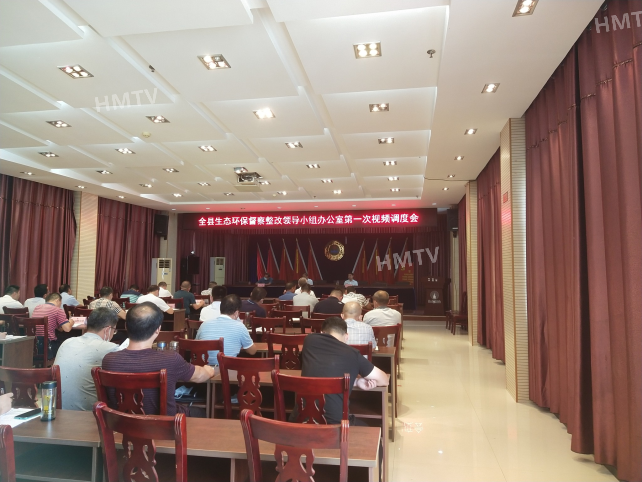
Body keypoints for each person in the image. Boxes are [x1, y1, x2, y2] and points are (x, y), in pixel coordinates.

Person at [102, 303, 214, 416]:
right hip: (164, 424)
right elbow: (200, 376)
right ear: (158, 329)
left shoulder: (109, 360)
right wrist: (209, 370)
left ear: (126, 326)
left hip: (121, 423)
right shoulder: (170, 359)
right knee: (200, 412)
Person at [295, 316, 388, 425]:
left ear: (322, 332)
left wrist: (355, 382)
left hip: (301, 420)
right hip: (336, 425)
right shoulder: (352, 354)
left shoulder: (309, 341)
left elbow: (325, 371)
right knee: (370, 428)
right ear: (346, 336)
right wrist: (359, 381)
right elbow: (384, 380)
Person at [54, 307, 129, 411]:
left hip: (57, 412)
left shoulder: (67, 342)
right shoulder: (110, 348)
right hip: (90, 414)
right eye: (114, 331)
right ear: (108, 330)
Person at [196, 294, 257, 362]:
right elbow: (252, 351)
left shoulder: (204, 324)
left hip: (204, 367)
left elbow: (195, 346)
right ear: (236, 313)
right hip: (227, 367)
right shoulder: (240, 327)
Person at [32, 292, 72, 357]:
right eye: (60, 303)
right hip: (49, 346)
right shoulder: (57, 310)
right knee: (67, 346)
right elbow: (67, 329)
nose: (60, 305)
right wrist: (71, 321)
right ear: (57, 300)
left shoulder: (37, 307)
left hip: (35, 345)